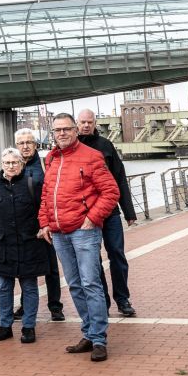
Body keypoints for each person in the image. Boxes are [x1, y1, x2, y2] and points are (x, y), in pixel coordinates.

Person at [39, 113, 120, 363]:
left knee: (90, 283)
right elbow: (46, 194)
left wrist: (92, 218)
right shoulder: (52, 158)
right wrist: (44, 223)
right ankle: (88, 332)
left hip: (83, 231)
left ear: (76, 130)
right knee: (74, 284)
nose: (61, 133)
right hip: (60, 233)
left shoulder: (91, 156)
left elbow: (111, 191)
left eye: (66, 129)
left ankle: (98, 339)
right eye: (57, 130)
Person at [0, 147, 49, 344]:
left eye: (14, 162)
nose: (11, 166)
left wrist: (43, 227)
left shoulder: (33, 184)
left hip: (29, 243)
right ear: (2, 165)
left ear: (21, 164)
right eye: (7, 163)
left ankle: (29, 326)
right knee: (4, 287)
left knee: (29, 287)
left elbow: (42, 210)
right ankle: (5, 325)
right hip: (3, 244)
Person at [77, 109, 137, 317]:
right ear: (77, 123)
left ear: (95, 123)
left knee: (117, 255)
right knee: (93, 260)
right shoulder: (72, 148)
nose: (86, 125)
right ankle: (103, 301)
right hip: (85, 215)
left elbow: (120, 179)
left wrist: (129, 212)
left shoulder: (105, 146)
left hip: (110, 212)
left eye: (89, 122)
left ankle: (123, 299)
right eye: (82, 122)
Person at [15, 128, 64, 321]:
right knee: (25, 268)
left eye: (29, 142)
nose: (25, 146)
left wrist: (48, 222)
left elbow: (52, 193)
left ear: (35, 145)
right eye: (21, 143)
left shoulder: (45, 165)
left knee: (51, 267)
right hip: (22, 227)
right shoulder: (12, 166)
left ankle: (55, 306)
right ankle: (25, 305)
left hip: (45, 225)